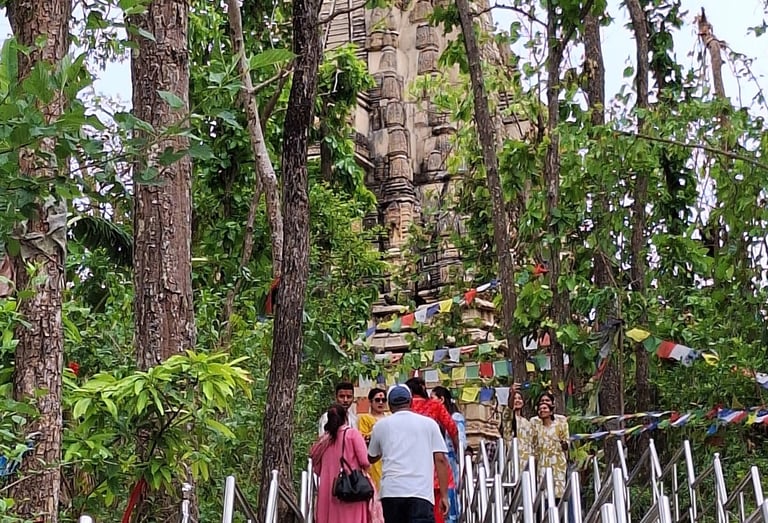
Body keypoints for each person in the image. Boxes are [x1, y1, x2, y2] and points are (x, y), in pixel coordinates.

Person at [369, 385, 451, 523]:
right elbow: (440, 460)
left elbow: (371, 457)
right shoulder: (429, 424)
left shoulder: (381, 426)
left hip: (391, 493)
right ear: (411, 402)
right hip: (421, 493)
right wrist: (444, 495)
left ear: (389, 404)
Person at [310, 404, 372, 523]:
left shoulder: (324, 441)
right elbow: (364, 461)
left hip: (328, 492)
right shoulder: (352, 434)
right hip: (350, 489)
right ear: (345, 417)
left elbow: (316, 469)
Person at [430, 386, 466, 523]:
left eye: (432, 398)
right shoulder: (434, 419)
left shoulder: (455, 417)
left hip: (450, 460)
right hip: (437, 461)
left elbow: (461, 440)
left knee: (451, 492)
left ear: (441, 399)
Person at [404, 377, 460, 452]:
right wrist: (458, 449)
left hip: (407, 451)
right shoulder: (435, 405)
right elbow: (452, 428)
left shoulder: (403, 407)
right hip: (431, 451)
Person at [531, 401, 569, 501]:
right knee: (544, 491)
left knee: (559, 491)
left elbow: (566, 446)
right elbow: (534, 445)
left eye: (545, 408)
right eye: (540, 409)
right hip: (543, 462)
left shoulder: (559, 426)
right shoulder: (537, 428)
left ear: (551, 412)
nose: (542, 410)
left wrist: (563, 442)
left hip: (558, 463)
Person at [358, 387, 389, 490]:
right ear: (370, 402)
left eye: (383, 400)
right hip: (374, 459)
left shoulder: (390, 417)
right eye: (377, 400)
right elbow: (362, 437)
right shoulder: (365, 418)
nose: (381, 403)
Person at [500, 387, 533, 474]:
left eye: (519, 398)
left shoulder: (527, 422)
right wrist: (512, 393)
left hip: (526, 459)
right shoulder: (508, 418)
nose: (517, 400)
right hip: (513, 457)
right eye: (515, 398)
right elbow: (509, 410)